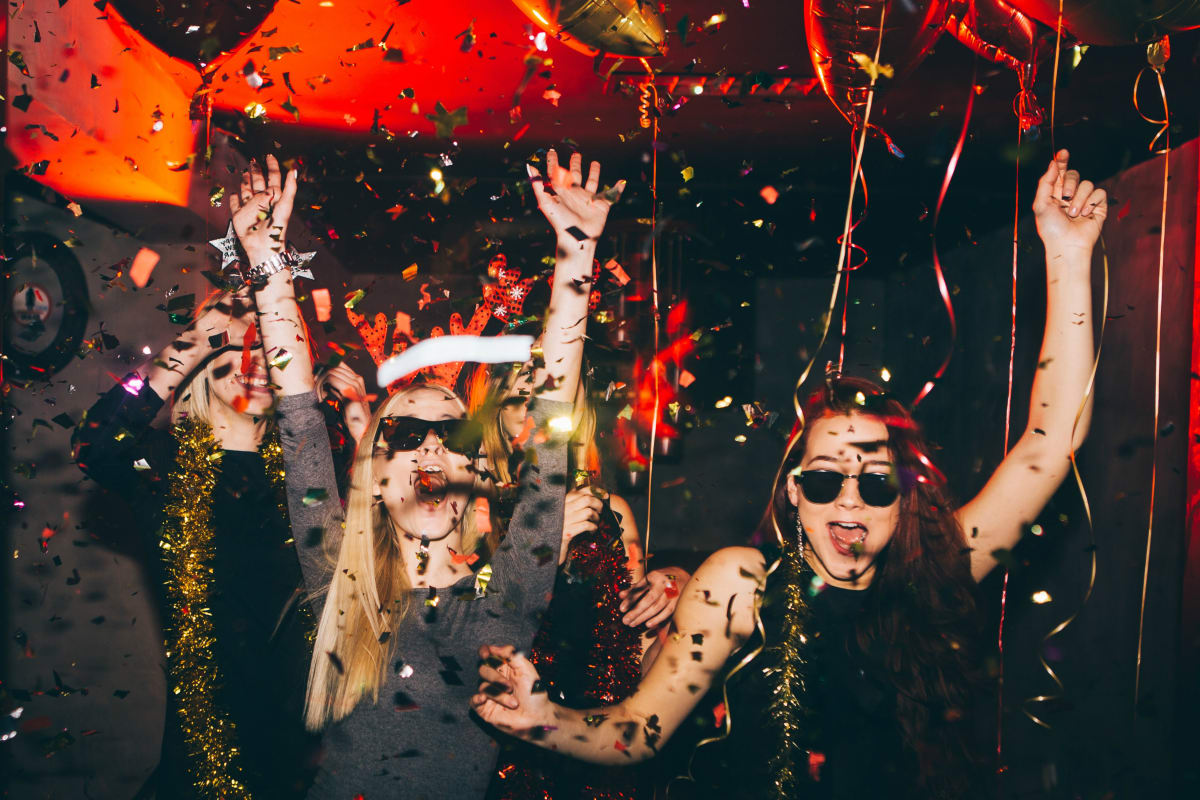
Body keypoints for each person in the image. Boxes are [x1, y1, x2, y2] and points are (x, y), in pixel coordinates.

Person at [471, 150, 1106, 799]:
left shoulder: (938, 569)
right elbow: (640, 726)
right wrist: (547, 720)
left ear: (904, 498)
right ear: (796, 493)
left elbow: (1049, 444)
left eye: (876, 483)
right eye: (828, 480)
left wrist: (1067, 253)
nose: (850, 502)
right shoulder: (739, 587)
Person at [284, 149, 624, 797]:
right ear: (376, 478)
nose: (433, 449)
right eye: (408, 435)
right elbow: (298, 419)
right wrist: (271, 271)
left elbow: (554, 422)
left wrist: (577, 254)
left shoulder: (506, 598)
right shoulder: (336, 580)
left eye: (452, 435)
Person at [71, 155, 365, 798]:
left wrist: (362, 424)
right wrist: (193, 342)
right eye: (235, 344)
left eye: (267, 342)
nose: (252, 356)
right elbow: (97, 446)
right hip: (196, 767)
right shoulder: (167, 470)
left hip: (304, 763)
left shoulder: (312, 471)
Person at [479, 359, 691, 799]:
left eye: (551, 400)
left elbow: (641, 646)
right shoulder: (475, 511)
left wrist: (678, 590)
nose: (537, 413)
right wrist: (546, 545)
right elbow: (467, 638)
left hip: (601, 749)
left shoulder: (611, 511)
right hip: (505, 752)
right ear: (497, 419)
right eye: (521, 400)